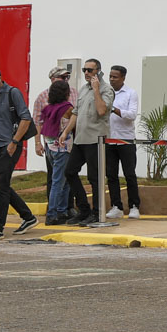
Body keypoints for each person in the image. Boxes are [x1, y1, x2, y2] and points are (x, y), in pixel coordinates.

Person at [0, 67, 37, 237]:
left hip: (10, 145)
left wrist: (14, 142)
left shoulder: (13, 93)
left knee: (2, 187)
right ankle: (28, 217)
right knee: (1, 186)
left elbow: (26, 118)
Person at [69, 58, 111, 225]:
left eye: (90, 70)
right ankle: (83, 209)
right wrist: (65, 132)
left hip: (96, 140)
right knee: (69, 172)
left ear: (98, 72)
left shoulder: (106, 90)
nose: (86, 73)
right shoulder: (83, 89)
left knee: (95, 178)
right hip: (80, 139)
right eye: (84, 70)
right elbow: (76, 112)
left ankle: (97, 212)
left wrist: (96, 90)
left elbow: (101, 110)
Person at [36, 78, 76, 223]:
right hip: (62, 148)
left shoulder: (48, 108)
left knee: (63, 181)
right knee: (59, 182)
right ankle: (52, 214)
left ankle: (61, 210)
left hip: (49, 147)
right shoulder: (67, 108)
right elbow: (76, 118)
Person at [104, 64, 141, 218]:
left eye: (115, 77)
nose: (112, 79)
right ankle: (116, 206)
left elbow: (132, 115)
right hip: (108, 140)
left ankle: (134, 206)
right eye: (110, 76)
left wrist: (113, 108)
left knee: (129, 174)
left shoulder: (131, 93)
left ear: (123, 78)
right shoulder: (105, 92)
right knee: (111, 175)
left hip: (125, 139)